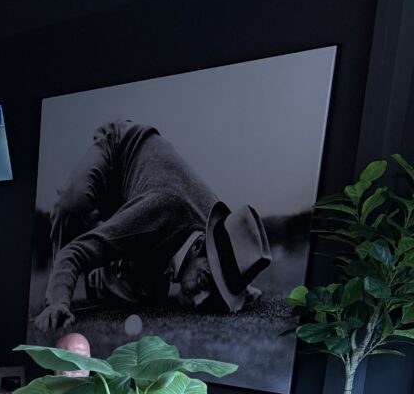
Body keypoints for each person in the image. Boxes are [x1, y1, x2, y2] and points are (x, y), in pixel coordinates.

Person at [33, 120, 272, 336]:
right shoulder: (155, 217)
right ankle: (55, 296)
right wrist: (60, 303)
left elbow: (225, 262)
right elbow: (74, 253)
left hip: (148, 196)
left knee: (147, 294)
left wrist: (240, 287)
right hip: (120, 148)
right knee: (73, 204)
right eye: (204, 283)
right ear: (199, 245)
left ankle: (106, 259)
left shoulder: (220, 233)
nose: (199, 302)